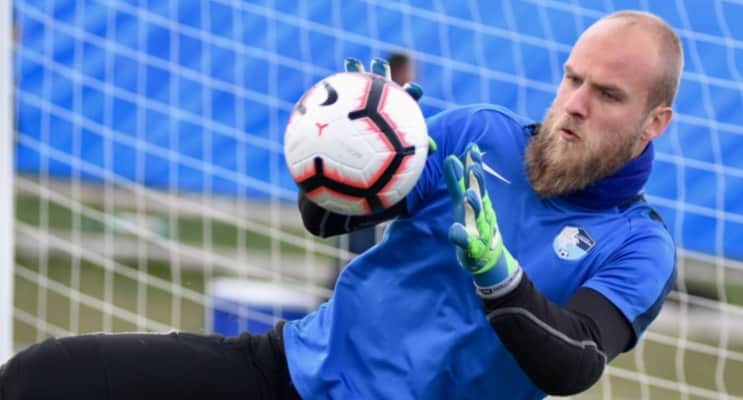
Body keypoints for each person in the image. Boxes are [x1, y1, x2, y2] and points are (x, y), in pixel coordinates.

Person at [0, 10, 681, 400]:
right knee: (43, 378)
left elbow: (573, 364)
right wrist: (356, 150)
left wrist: (498, 277)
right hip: (293, 371)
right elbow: (326, 221)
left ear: (655, 121)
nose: (574, 104)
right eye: (571, 79)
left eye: (607, 95)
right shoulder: (479, 135)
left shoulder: (638, 244)